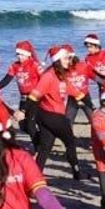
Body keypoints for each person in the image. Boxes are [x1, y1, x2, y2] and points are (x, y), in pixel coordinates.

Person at [27, 46, 87, 180]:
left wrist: (92, 108)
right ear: (57, 60)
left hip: (48, 116)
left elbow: (74, 92)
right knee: (70, 143)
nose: (69, 60)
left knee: (45, 147)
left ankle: (36, 177)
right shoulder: (48, 76)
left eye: (69, 58)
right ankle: (77, 172)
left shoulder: (61, 74)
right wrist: (24, 112)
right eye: (66, 58)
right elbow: (34, 95)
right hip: (52, 116)